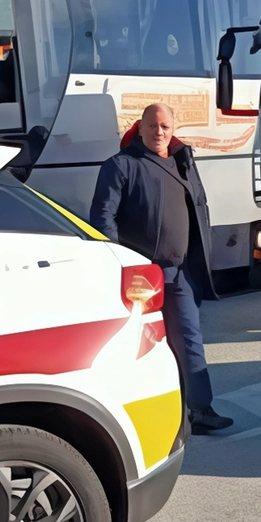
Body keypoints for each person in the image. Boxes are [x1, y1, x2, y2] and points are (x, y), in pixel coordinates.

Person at [90, 103, 233, 435]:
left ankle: (200, 408)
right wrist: (122, 262)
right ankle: (131, 416)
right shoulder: (121, 166)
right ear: (140, 128)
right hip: (141, 275)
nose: (159, 132)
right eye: (153, 126)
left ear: (173, 129)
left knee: (189, 339)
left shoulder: (183, 162)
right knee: (136, 346)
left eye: (165, 127)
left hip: (181, 272)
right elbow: (102, 217)